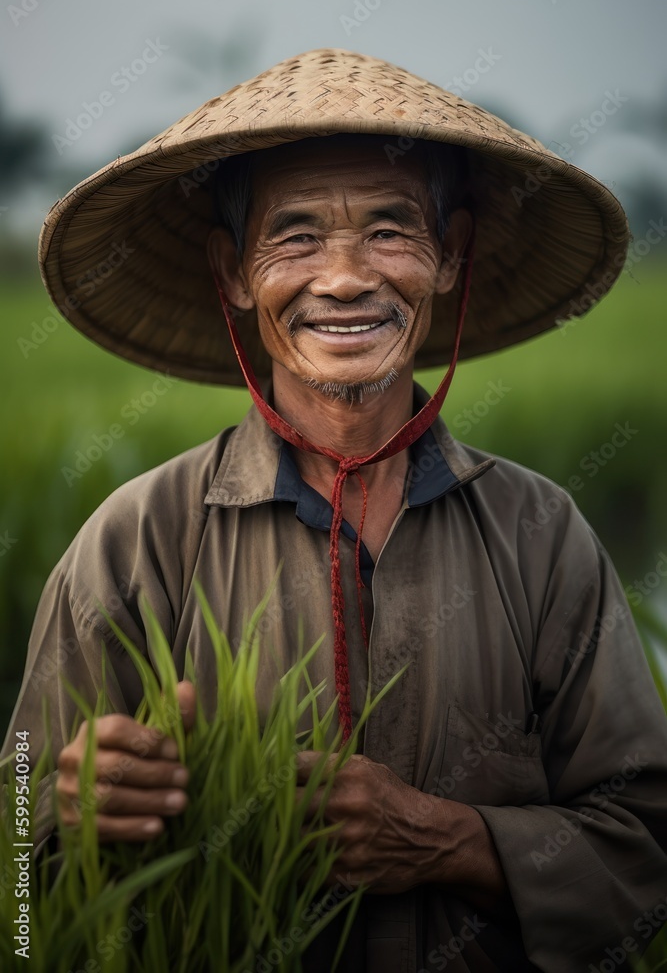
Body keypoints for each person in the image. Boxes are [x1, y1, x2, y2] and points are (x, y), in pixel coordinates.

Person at [3, 48, 667, 972]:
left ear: (451, 256)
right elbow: (21, 885)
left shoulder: (539, 534)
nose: (347, 278)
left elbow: (645, 855)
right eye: (297, 237)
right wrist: (60, 806)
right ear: (233, 273)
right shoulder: (136, 538)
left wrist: (451, 840)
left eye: (391, 232)